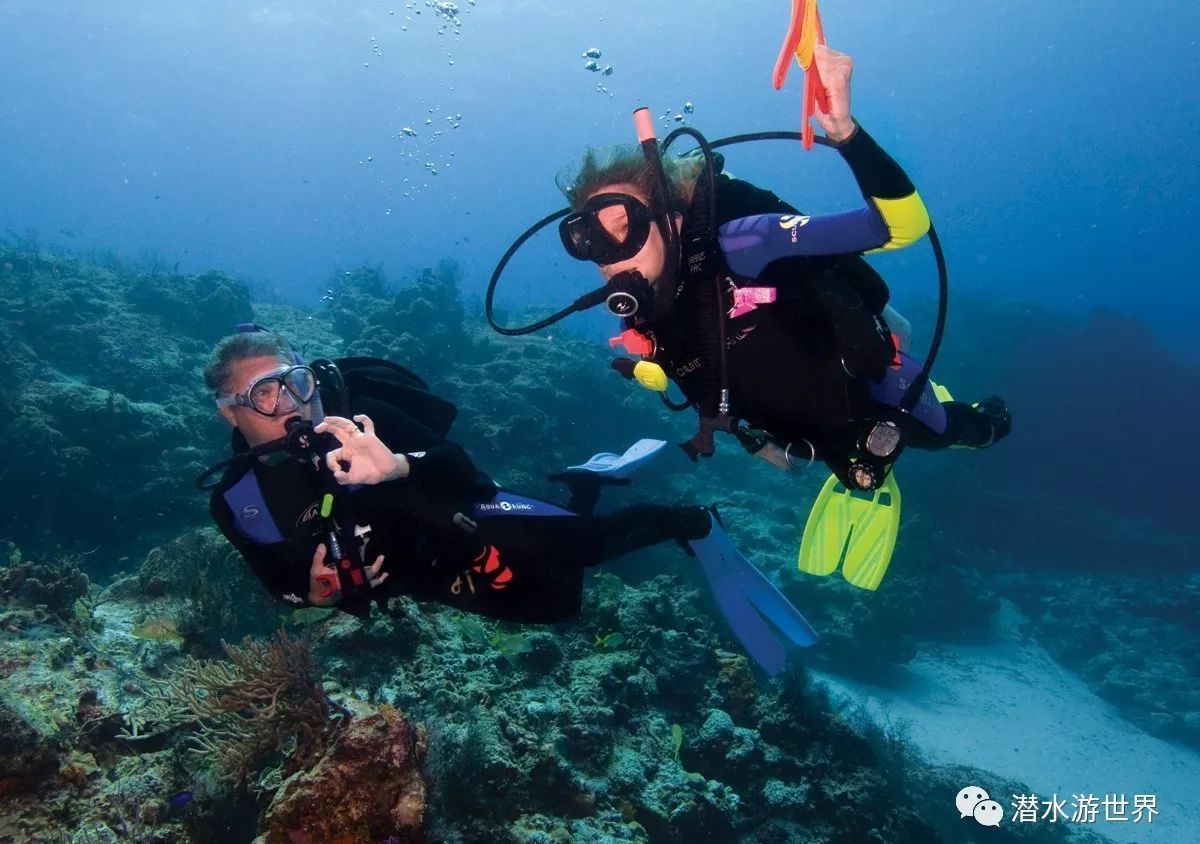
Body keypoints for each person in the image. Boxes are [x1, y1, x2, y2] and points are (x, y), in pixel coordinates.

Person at [551, 45, 1011, 589]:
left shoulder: (747, 243)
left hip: (873, 390)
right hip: (793, 430)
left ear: (671, 218)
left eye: (618, 223)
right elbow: (691, 375)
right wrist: (745, 435)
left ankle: (980, 420)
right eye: (584, 237)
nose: (605, 252)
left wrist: (846, 134)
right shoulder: (645, 314)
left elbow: (900, 225)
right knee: (850, 455)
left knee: (938, 432)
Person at [201, 328, 818, 675]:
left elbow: (460, 470)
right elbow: (273, 579)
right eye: (265, 395)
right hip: (426, 575)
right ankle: (584, 483)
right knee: (549, 602)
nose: (293, 404)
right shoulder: (238, 500)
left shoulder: (361, 418)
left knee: (584, 548)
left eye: (296, 382)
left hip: (462, 512)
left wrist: (395, 466)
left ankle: (695, 523)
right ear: (230, 410)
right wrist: (308, 595)